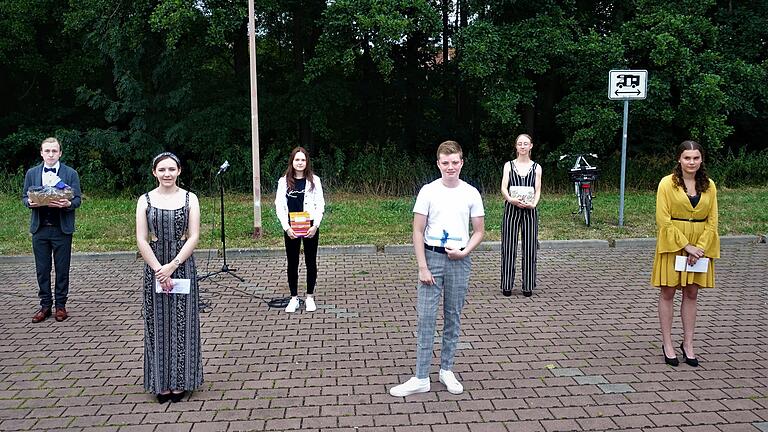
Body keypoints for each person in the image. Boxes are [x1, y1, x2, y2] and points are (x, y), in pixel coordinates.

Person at [389, 140, 485, 397]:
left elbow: (478, 231)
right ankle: (421, 376)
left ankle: (446, 370)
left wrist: (465, 251)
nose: (450, 167)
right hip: (432, 258)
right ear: (438, 164)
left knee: (452, 317)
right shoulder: (428, 191)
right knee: (426, 318)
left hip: (459, 261)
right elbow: (418, 231)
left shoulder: (471, 193)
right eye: (445, 163)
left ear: (462, 163)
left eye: (455, 162)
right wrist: (422, 266)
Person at [136, 152, 203, 403]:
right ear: (154, 172)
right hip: (155, 265)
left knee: (182, 324)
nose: (167, 174)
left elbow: (193, 236)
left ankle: (181, 381)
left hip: (181, 263)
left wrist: (172, 266)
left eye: (171, 169)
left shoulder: (190, 198)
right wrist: (158, 269)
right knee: (157, 325)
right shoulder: (144, 200)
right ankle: (160, 383)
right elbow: (141, 238)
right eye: (162, 169)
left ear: (179, 171)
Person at [651, 140, 719, 367]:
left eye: (696, 158)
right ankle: (667, 343)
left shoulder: (709, 185)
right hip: (673, 244)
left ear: (701, 160)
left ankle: (688, 343)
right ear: (679, 159)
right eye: (687, 158)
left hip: (700, 248)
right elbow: (663, 220)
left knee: (691, 293)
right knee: (668, 291)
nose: (692, 162)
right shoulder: (666, 184)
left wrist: (699, 248)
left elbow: (712, 221)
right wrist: (686, 246)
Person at [22, 137, 82, 323]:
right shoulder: (32, 173)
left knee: (62, 269)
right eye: (47, 151)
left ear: (60, 153)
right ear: (41, 153)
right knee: (42, 269)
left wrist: (67, 203)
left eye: (54, 151)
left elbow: (77, 199)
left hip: (61, 229)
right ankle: (45, 306)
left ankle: (61, 306)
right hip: (39, 229)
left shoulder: (70, 173)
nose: (50, 154)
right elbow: (24, 196)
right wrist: (29, 202)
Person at [275, 147, 325, 313]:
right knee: (292, 262)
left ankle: (310, 297)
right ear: (292, 161)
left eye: (303, 160)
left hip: (310, 225)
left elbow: (320, 204)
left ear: (307, 162)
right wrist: (286, 227)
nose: (300, 163)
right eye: (297, 160)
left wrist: (315, 225)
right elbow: (279, 206)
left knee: (311, 261)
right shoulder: (284, 182)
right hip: (291, 227)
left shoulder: (314, 180)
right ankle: (294, 298)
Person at [500, 134, 542, 297]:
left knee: (530, 246)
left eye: (526, 143)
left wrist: (534, 203)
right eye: (519, 144)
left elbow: (538, 189)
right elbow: (504, 186)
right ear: (516, 146)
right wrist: (510, 199)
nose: (523, 146)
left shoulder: (536, 167)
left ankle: (528, 285)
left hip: (530, 210)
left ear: (531, 146)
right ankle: (507, 285)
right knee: (508, 246)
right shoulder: (509, 166)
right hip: (511, 208)